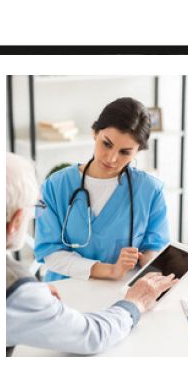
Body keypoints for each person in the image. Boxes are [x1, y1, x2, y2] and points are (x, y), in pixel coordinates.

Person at [6, 152, 178, 356]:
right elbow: (91, 336)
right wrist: (135, 302)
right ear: (17, 220)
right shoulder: (16, 290)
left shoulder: (149, 187)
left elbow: (155, 243)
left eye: (125, 151)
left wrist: (32, 293)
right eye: (34, 207)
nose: (112, 158)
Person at [35, 97, 170, 282]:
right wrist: (110, 270)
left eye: (125, 152)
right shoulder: (55, 186)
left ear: (138, 151)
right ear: (95, 133)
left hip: (119, 292)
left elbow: (154, 248)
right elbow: (50, 253)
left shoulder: (150, 191)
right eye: (107, 144)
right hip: (66, 292)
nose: (112, 158)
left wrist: (152, 263)